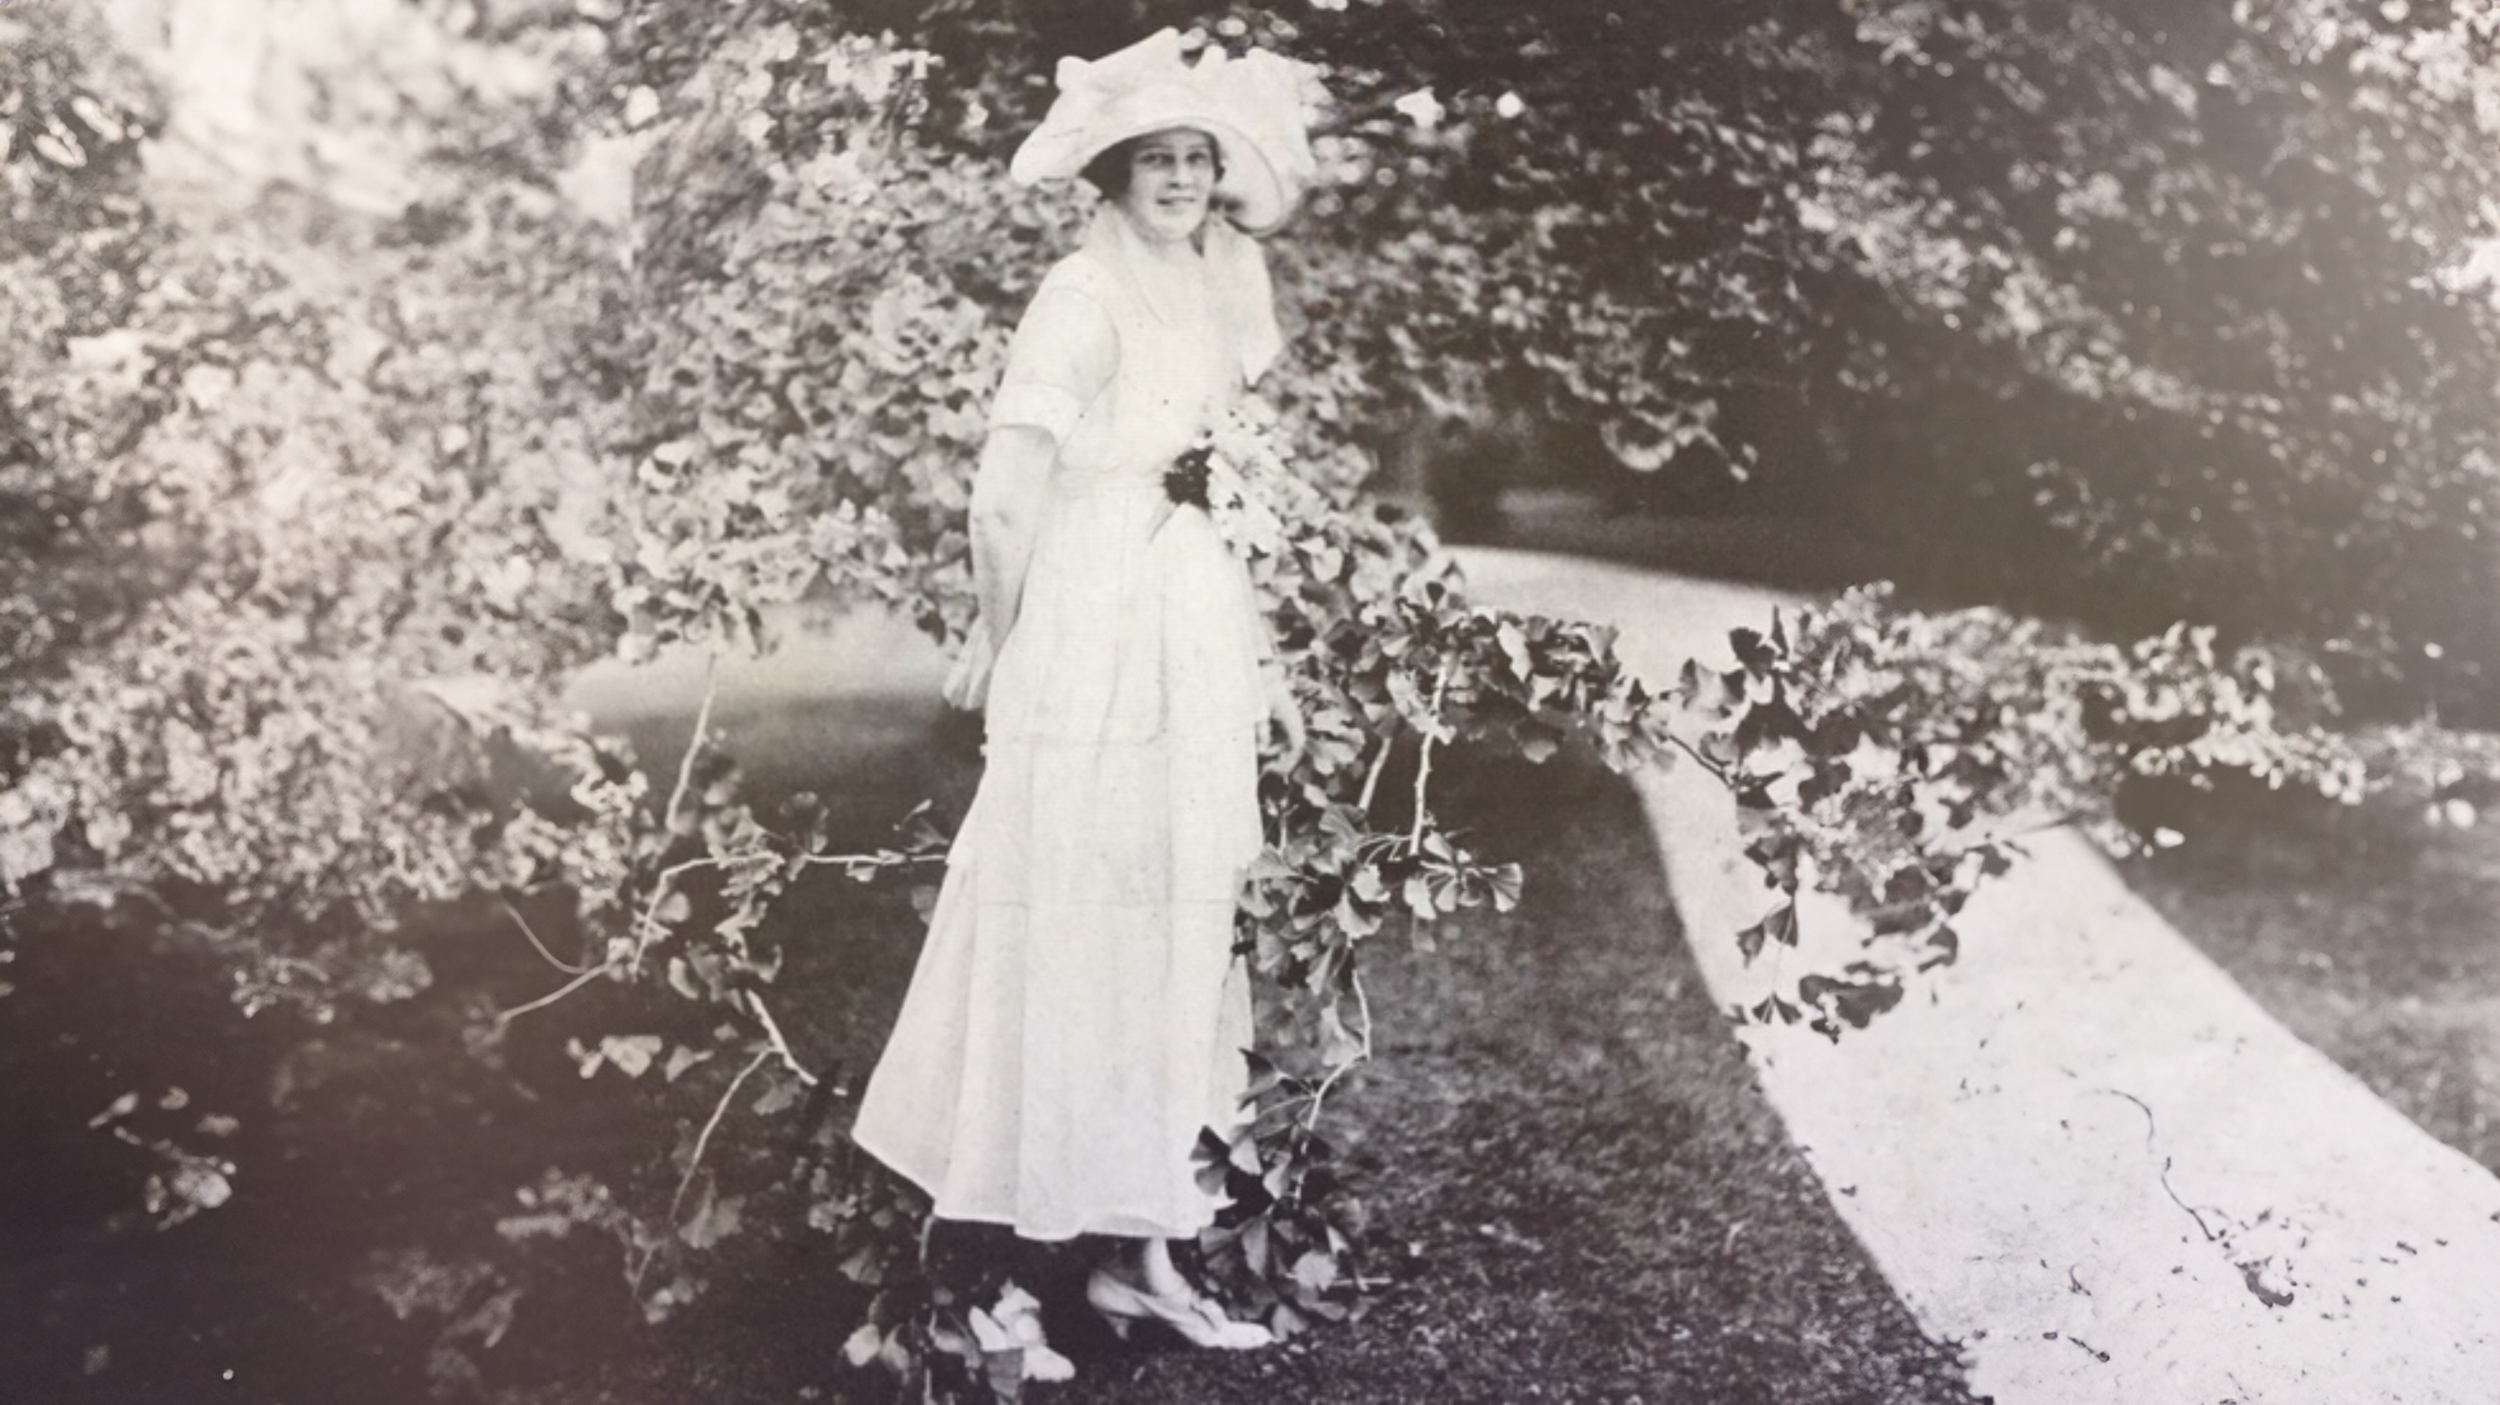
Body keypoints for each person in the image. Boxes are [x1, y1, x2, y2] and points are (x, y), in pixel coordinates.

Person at [851, 30, 1313, 1352]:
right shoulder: (1079, 290)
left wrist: (1264, 659)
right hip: (1093, 630)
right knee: (1055, 924)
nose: (1178, 178)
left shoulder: (1211, 284)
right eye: (1155, 157)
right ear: (1111, 170)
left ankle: (1142, 1251)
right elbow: (1005, 494)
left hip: (1195, 631)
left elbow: (1240, 486)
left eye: (1196, 157)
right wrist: (1002, 645)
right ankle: (972, 1280)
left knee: (1178, 924)